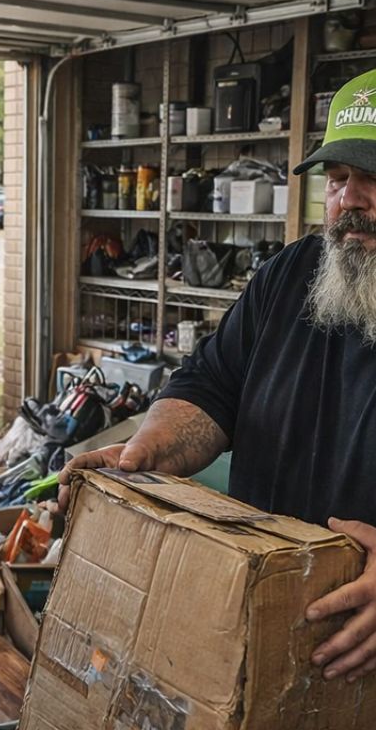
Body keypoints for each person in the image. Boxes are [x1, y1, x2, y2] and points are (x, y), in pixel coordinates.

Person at [60, 67, 376, 688]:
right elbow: (210, 388)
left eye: (374, 179)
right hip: (266, 611)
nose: (349, 201)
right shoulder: (295, 274)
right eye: (338, 180)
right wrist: (145, 454)